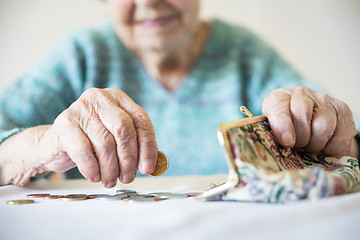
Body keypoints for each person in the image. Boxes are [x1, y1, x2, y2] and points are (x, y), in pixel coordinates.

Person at [0, 0, 358, 188]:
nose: (149, 0)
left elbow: (342, 142)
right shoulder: (81, 55)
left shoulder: (244, 54)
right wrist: (40, 149)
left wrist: (333, 131)